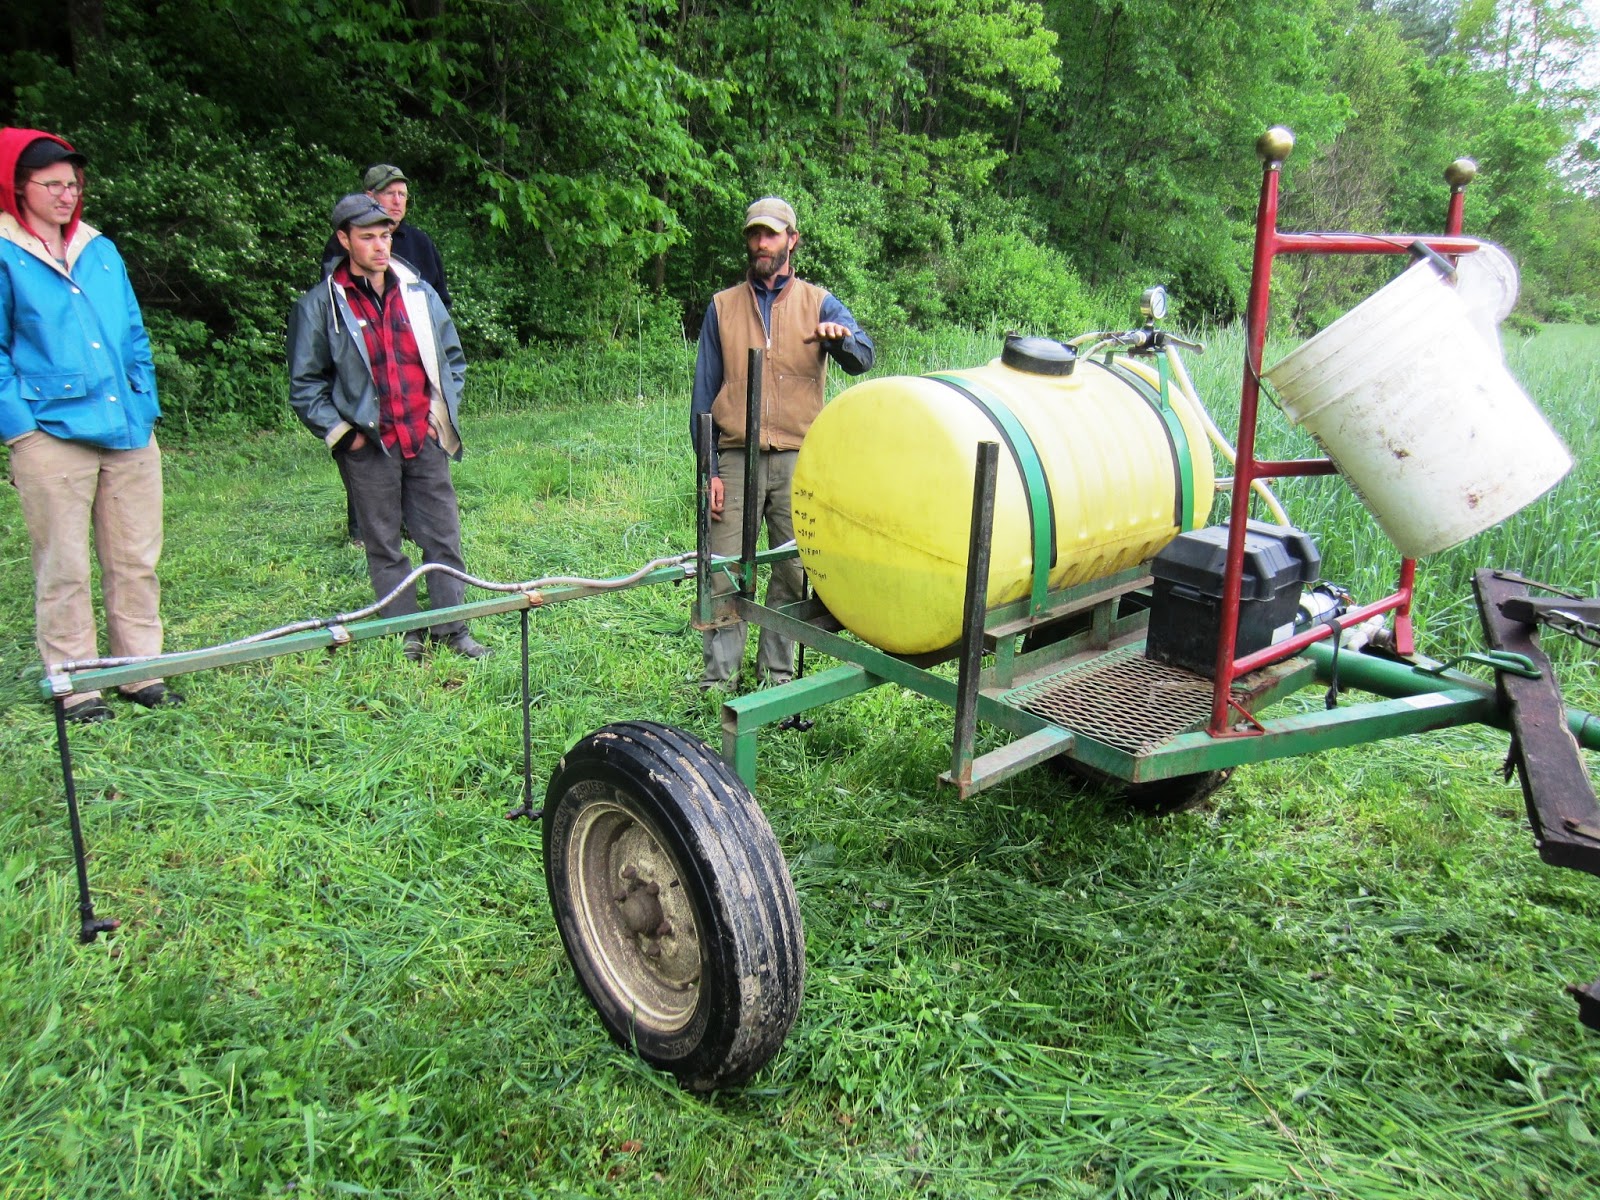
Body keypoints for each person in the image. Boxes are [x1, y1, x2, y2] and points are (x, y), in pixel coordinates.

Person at [0, 127, 182, 723]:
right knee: (65, 566)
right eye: (51, 184)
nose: (65, 194)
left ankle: (138, 670)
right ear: (18, 187)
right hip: (50, 432)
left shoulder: (99, 248)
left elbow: (133, 332)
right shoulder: (5, 250)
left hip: (127, 428)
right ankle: (75, 683)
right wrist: (21, 428)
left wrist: (144, 402)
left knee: (135, 558)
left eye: (72, 184)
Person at [289, 193, 489, 661]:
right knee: (383, 543)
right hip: (370, 447)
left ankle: (452, 629)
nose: (380, 246)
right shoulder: (320, 306)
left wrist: (439, 417)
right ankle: (406, 633)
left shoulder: (419, 293)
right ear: (344, 240)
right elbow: (305, 385)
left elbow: (453, 360)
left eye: (385, 235)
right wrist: (347, 436)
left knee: (443, 537)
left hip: (423, 438)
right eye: (368, 237)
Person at [689, 196, 874, 690]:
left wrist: (839, 339)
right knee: (724, 570)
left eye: (770, 234)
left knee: (792, 569)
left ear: (792, 240)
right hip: (734, 458)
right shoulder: (722, 307)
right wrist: (708, 470)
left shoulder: (819, 302)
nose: (761, 243)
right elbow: (703, 395)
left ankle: (776, 678)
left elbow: (864, 356)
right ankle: (718, 682)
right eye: (754, 234)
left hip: (799, 460)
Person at [321, 164, 450, 544]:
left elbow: (440, 302)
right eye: (390, 193)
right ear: (369, 197)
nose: (397, 201)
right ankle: (365, 529)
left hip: (411, 368)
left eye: (403, 195)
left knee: (419, 456)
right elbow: (332, 311)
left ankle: (411, 523)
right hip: (365, 366)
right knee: (367, 452)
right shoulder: (342, 245)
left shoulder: (420, 243)